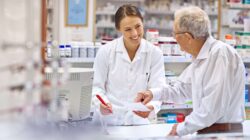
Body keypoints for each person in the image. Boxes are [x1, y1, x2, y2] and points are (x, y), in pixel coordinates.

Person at [135, 6, 246, 136]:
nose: (174, 38)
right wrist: (152, 94)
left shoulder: (220, 54)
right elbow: (181, 90)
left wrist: (181, 128)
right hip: (209, 132)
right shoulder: (201, 58)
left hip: (224, 134)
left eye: (175, 34)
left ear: (187, 37)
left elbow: (212, 109)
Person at [92, 4, 165, 125]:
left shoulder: (154, 53)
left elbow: (158, 88)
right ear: (119, 29)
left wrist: (151, 107)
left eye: (138, 26)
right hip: (111, 121)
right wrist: (101, 104)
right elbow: (96, 86)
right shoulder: (106, 51)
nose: (135, 33)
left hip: (139, 122)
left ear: (143, 23)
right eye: (128, 29)